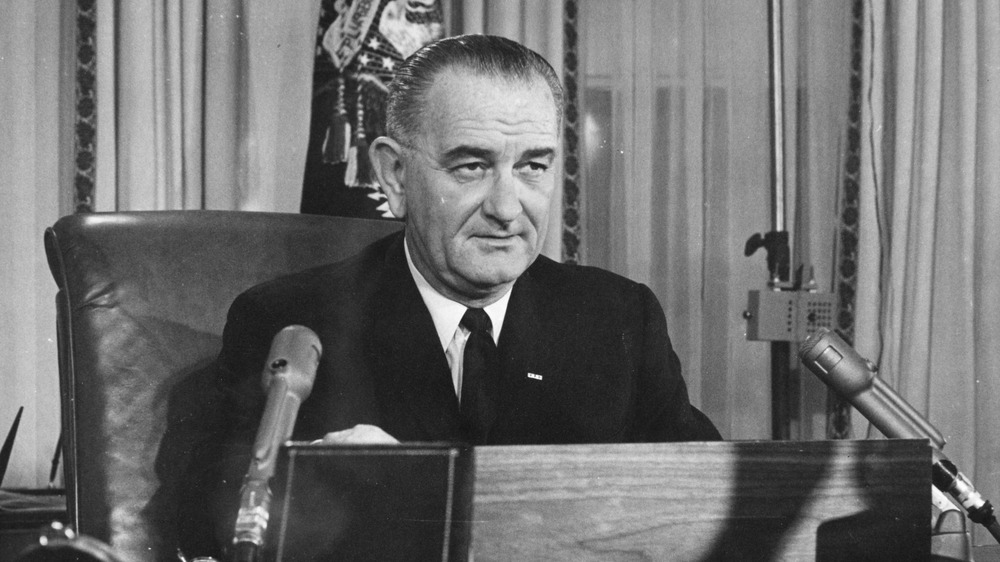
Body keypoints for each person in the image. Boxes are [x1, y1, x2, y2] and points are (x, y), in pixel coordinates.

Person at [179, 33, 720, 557]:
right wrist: (319, 489)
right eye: (472, 166)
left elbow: (709, 506)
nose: (507, 208)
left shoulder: (617, 319)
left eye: (533, 166)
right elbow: (204, 521)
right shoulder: (290, 323)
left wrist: (424, 496)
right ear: (394, 175)